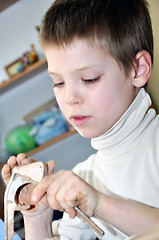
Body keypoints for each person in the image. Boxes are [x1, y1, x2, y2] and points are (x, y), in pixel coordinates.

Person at [2, 0, 159, 239]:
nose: (69, 97)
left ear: (138, 69)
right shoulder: (84, 179)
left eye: (89, 79)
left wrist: (100, 205)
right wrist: (35, 212)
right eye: (58, 82)